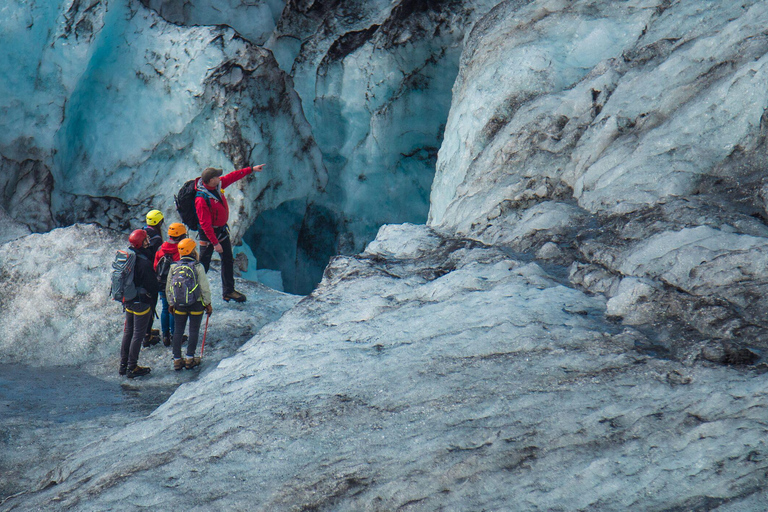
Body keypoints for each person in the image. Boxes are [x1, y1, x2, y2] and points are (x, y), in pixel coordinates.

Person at [195, 164, 264, 302]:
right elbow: (205, 224)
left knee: (227, 260)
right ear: (210, 180)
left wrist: (251, 169)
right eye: (216, 176)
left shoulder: (216, 186)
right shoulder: (201, 199)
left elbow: (233, 177)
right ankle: (193, 292)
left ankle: (228, 291)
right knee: (203, 264)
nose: (219, 177)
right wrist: (214, 243)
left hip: (221, 231)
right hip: (209, 235)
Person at [119, 229, 159, 378]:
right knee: (138, 334)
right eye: (145, 240)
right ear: (140, 243)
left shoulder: (128, 257)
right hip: (141, 302)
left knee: (128, 332)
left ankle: (123, 365)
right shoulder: (143, 262)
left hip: (128, 300)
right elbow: (152, 286)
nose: (148, 242)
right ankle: (132, 366)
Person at [167, 238, 212, 370]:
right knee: (193, 330)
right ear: (193, 251)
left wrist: (171, 303)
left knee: (178, 331)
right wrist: (208, 303)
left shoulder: (174, 266)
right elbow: (204, 287)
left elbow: (169, 287)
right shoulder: (198, 267)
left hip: (179, 304)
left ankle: (176, 360)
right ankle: (189, 359)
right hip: (196, 304)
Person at [154, 222, 187, 347]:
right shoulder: (181, 250)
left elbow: (155, 265)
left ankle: (165, 335)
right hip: (175, 285)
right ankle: (175, 335)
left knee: (165, 308)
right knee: (174, 309)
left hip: (161, 284)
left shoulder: (162, 248)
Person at [143, 209, 165, 346]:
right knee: (151, 304)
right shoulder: (156, 239)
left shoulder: (143, 232)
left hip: (141, 274)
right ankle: (147, 335)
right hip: (150, 275)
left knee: (146, 304)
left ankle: (147, 330)